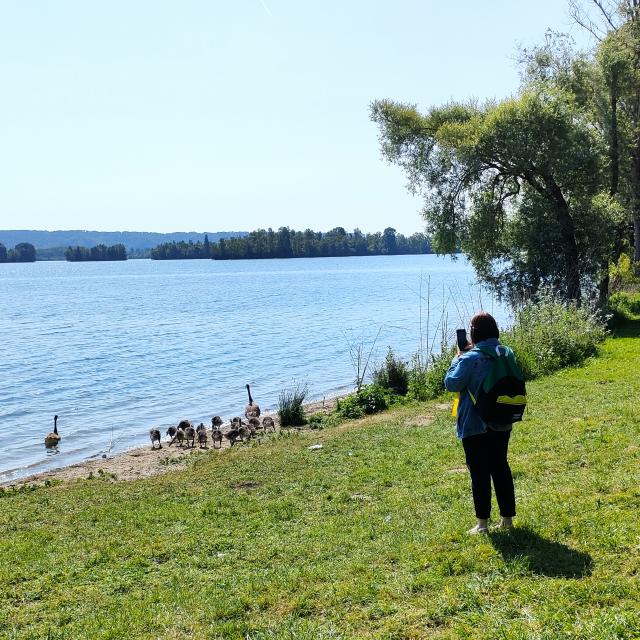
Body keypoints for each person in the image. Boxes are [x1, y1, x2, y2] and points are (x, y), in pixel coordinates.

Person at [444, 311, 516, 534]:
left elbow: (451, 383)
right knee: (500, 467)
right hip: (503, 419)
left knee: (479, 473)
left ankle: (482, 524)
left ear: (473, 334)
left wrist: (456, 358)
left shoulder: (470, 358)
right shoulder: (506, 352)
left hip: (475, 425)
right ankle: (507, 520)